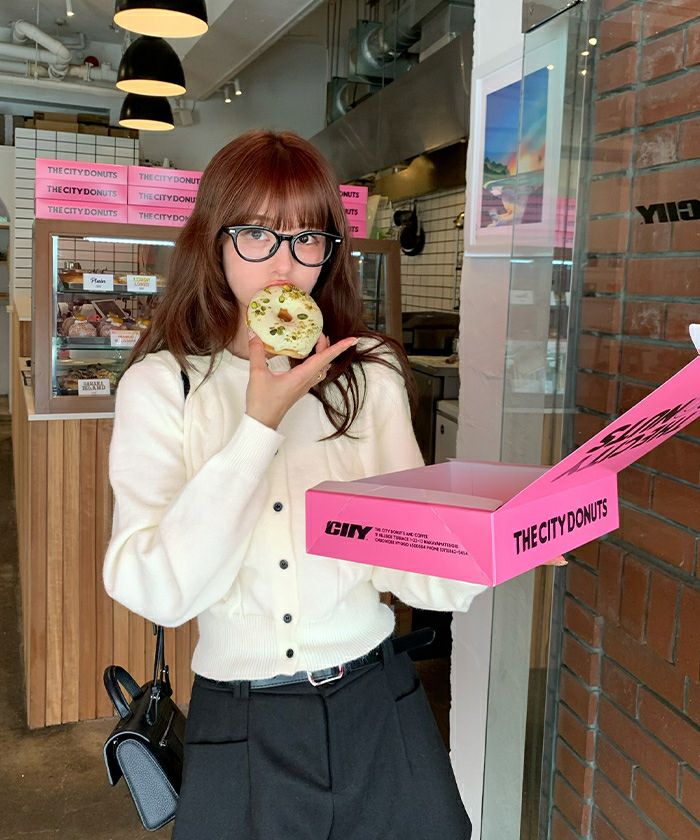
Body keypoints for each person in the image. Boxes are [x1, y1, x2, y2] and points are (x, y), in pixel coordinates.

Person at [103, 129, 565, 840]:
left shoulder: (367, 375)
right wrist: (258, 425)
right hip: (243, 719)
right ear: (214, 241)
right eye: (257, 234)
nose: (284, 264)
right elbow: (159, 590)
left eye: (307, 239)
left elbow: (406, 565)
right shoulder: (164, 386)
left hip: (377, 701)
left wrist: (504, 543)